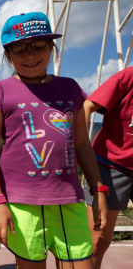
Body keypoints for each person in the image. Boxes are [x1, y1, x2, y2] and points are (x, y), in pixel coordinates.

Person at [0, 12, 108, 269]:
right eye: (19, 48)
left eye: (39, 45)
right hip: (22, 205)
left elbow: (82, 143)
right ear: (8, 55)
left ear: (51, 47)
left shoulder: (71, 88)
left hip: (70, 200)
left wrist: (98, 188)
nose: (30, 55)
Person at [82, 66, 133, 269]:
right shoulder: (128, 76)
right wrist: (80, 147)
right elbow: (87, 106)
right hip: (109, 165)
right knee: (97, 242)